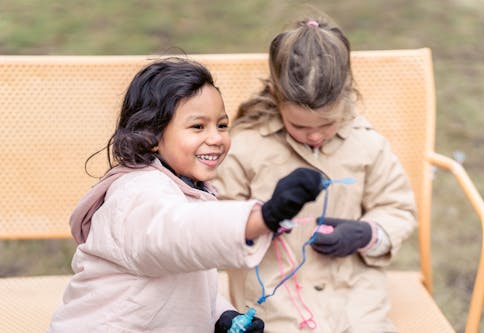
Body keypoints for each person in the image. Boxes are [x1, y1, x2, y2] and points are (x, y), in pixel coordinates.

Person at [47, 57, 324, 333]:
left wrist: (221, 316)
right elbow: (181, 233)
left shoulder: (186, 189)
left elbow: (185, 281)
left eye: (222, 125)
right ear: (150, 137)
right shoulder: (137, 193)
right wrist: (263, 218)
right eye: (197, 127)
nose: (216, 138)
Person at [213, 18, 417, 332]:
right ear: (276, 96)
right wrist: (262, 220)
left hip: (355, 300)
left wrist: (368, 234)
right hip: (272, 301)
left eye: (327, 125)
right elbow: (215, 227)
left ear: (346, 96)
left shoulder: (368, 144)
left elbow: (397, 207)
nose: (315, 137)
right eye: (300, 127)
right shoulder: (245, 147)